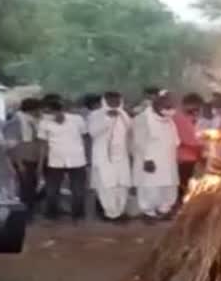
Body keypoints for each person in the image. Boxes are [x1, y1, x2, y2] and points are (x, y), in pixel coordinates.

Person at [38, 98, 88, 221]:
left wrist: (85, 155)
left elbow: (85, 137)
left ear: (59, 110)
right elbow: (43, 145)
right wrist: (40, 164)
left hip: (77, 160)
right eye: (45, 113)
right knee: (52, 191)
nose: (47, 115)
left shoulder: (77, 120)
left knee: (78, 191)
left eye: (49, 112)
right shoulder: (43, 123)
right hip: (55, 161)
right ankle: (52, 215)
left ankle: (78, 215)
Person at [132, 91, 180, 220]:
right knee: (150, 188)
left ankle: (164, 210)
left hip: (168, 160)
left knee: (168, 186)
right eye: (168, 107)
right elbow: (139, 142)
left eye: (172, 107)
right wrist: (147, 159)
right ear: (158, 106)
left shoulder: (169, 120)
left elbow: (174, 140)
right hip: (151, 161)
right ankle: (149, 213)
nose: (171, 111)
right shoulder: (143, 119)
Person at [88, 91, 132, 222]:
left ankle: (120, 211)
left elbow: (130, 133)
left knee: (123, 185)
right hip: (104, 158)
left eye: (117, 101)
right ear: (104, 101)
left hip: (122, 157)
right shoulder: (95, 115)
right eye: (111, 101)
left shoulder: (124, 115)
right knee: (107, 186)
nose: (114, 104)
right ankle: (111, 213)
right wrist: (107, 119)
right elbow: (93, 132)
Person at [5, 98, 43, 215]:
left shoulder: (32, 121)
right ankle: (25, 213)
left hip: (33, 157)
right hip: (23, 157)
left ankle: (30, 211)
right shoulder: (16, 121)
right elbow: (12, 145)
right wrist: (19, 163)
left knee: (32, 185)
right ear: (33, 109)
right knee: (26, 187)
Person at [174, 93, 204, 202]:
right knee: (183, 185)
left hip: (187, 157)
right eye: (195, 108)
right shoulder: (181, 119)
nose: (196, 111)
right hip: (184, 158)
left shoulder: (187, 118)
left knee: (184, 184)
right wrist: (201, 153)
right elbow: (190, 141)